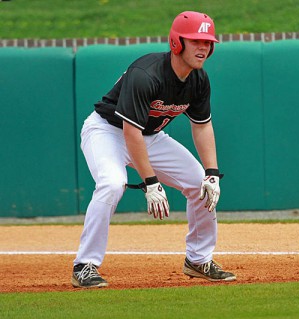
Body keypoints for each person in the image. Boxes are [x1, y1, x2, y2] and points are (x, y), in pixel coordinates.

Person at [71, 11, 236, 288]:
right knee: (113, 183)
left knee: (199, 184)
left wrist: (212, 172)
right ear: (176, 42)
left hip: (150, 135)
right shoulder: (146, 74)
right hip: (107, 131)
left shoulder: (198, 80)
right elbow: (130, 131)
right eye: (196, 41)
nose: (203, 47)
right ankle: (84, 265)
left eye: (208, 42)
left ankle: (198, 259)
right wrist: (150, 182)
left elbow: (202, 126)